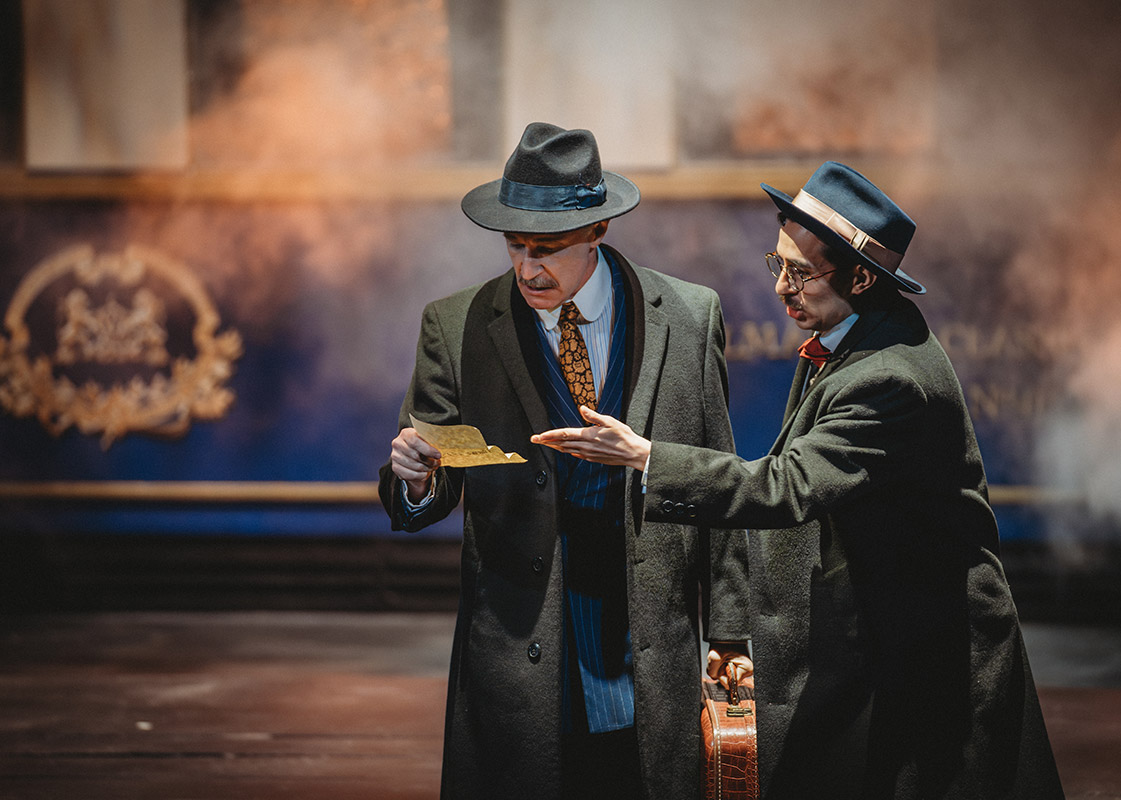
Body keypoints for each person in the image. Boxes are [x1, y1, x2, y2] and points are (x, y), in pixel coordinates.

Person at [532, 162, 1065, 799]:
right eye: (776, 263)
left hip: (927, 656)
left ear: (863, 277)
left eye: (801, 272)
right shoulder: (852, 334)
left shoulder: (888, 377)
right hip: (879, 637)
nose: (782, 287)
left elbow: (785, 486)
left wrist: (646, 456)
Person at [380, 122, 752, 800]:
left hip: (647, 628)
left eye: (546, 249)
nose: (526, 268)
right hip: (522, 635)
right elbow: (424, 487)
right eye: (514, 246)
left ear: (598, 232)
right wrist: (415, 479)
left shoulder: (690, 317)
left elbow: (715, 481)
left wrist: (731, 633)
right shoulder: (456, 323)